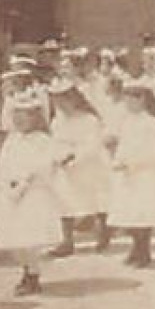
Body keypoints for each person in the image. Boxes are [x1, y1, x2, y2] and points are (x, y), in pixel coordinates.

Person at [0, 91, 62, 295]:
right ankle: (26, 269)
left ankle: (33, 274)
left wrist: (26, 181)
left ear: (36, 117)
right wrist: (8, 184)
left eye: (26, 114)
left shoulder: (42, 140)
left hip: (33, 193)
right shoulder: (12, 141)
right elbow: (3, 164)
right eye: (16, 115)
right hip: (12, 193)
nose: (20, 119)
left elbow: (45, 164)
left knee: (30, 237)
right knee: (14, 239)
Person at [107, 83, 155, 268]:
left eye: (131, 100)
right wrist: (118, 160)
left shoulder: (153, 124)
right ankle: (136, 248)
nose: (127, 104)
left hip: (146, 175)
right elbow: (123, 146)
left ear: (142, 100)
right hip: (128, 175)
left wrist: (132, 163)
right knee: (129, 215)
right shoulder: (127, 121)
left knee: (143, 215)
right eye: (125, 100)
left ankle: (144, 252)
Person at [48, 83, 110, 255]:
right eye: (57, 102)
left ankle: (102, 233)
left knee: (95, 201)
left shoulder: (89, 120)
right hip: (65, 168)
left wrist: (74, 156)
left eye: (64, 101)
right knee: (64, 203)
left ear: (74, 99)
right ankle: (67, 241)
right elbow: (54, 143)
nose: (61, 106)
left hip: (89, 166)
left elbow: (93, 145)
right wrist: (58, 156)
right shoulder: (57, 122)